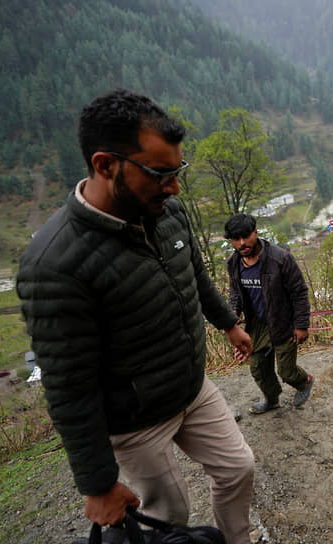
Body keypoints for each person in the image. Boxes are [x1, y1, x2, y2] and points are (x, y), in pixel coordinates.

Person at [16, 89, 255, 544]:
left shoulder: (167, 212)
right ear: (106, 165)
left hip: (191, 387)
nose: (175, 187)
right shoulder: (54, 265)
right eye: (161, 174)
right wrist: (98, 484)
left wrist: (228, 323)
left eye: (177, 171)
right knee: (169, 512)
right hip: (134, 418)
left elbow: (195, 276)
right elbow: (68, 386)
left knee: (238, 467)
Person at [225, 213, 313, 415]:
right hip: (257, 325)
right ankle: (272, 400)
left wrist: (301, 325)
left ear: (255, 232)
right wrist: (233, 313)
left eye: (246, 236)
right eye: (236, 239)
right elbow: (236, 292)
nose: (242, 243)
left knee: (286, 371)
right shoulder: (234, 263)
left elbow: (299, 291)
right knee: (258, 368)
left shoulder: (279, 259)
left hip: (284, 322)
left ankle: (304, 381)